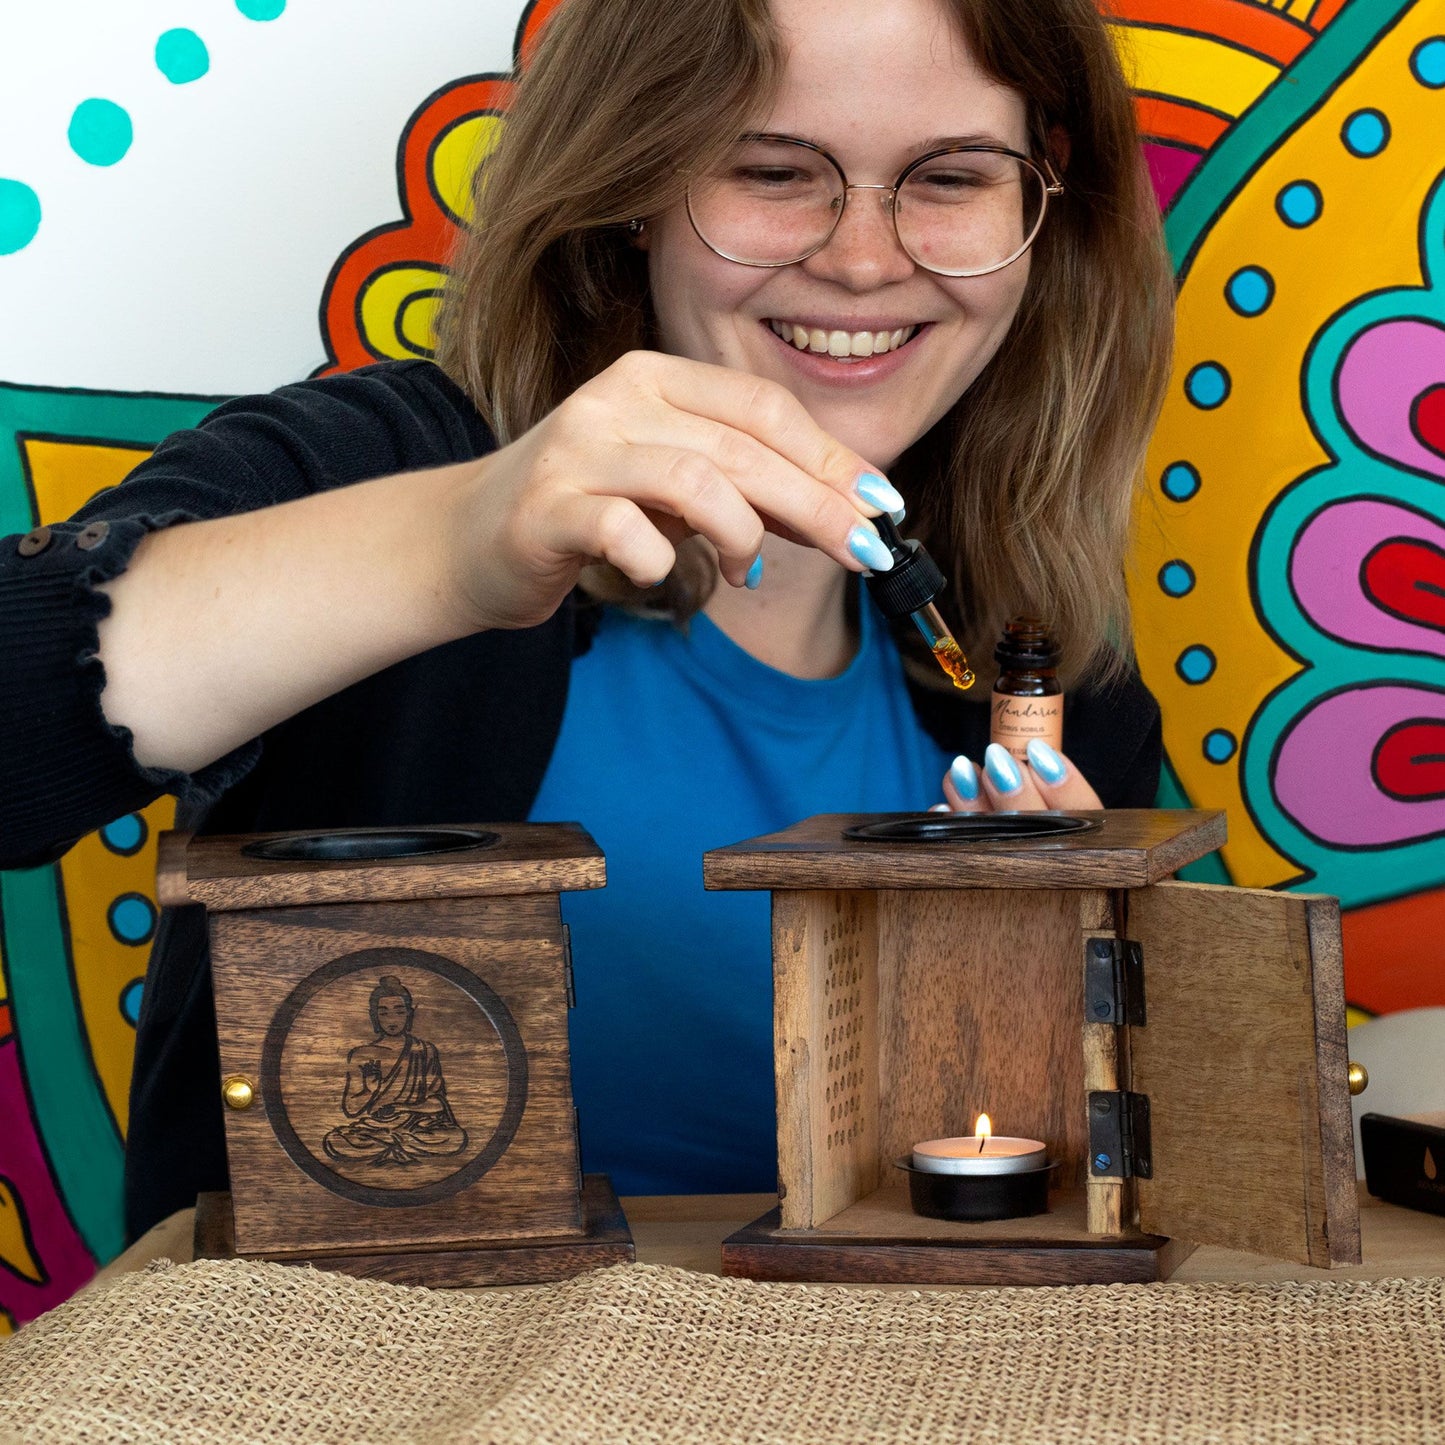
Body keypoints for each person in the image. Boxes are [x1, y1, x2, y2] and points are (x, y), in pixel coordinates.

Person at [0, 0, 1172, 1240]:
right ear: (632, 189)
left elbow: (1078, 1195)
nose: (864, 262)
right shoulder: (378, 467)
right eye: (773, 172)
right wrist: (455, 545)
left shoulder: (1052, 674)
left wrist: (1046, 1011)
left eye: (949, 179)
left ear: (1045, 202)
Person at [322, 977, 469, 1169]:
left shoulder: (424, 1050)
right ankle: (399, 1144)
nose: (392, 1020)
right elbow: (351, 1109)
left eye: (399, 1012)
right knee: (335, 1141)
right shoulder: (361, 1054)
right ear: (374, 1016)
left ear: (409, 1014)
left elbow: (437, 1103)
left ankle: (392, 1144)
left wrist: (402, 1108)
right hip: (377, 1126)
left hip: (416, 1125)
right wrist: (371, 1090)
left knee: (455, 1138)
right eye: (384, 1013)